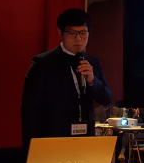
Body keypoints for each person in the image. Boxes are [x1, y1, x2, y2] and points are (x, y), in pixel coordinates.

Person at [21, 8, 112, 149]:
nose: (78, 39)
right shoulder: (43, 63)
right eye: (71, 33)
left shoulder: (93, 62)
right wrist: (32, 148)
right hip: (52, 139)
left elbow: (106, 98)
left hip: (85, 140)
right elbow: (29, 110)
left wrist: (93, 81)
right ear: (61, 33)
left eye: (83, 33)